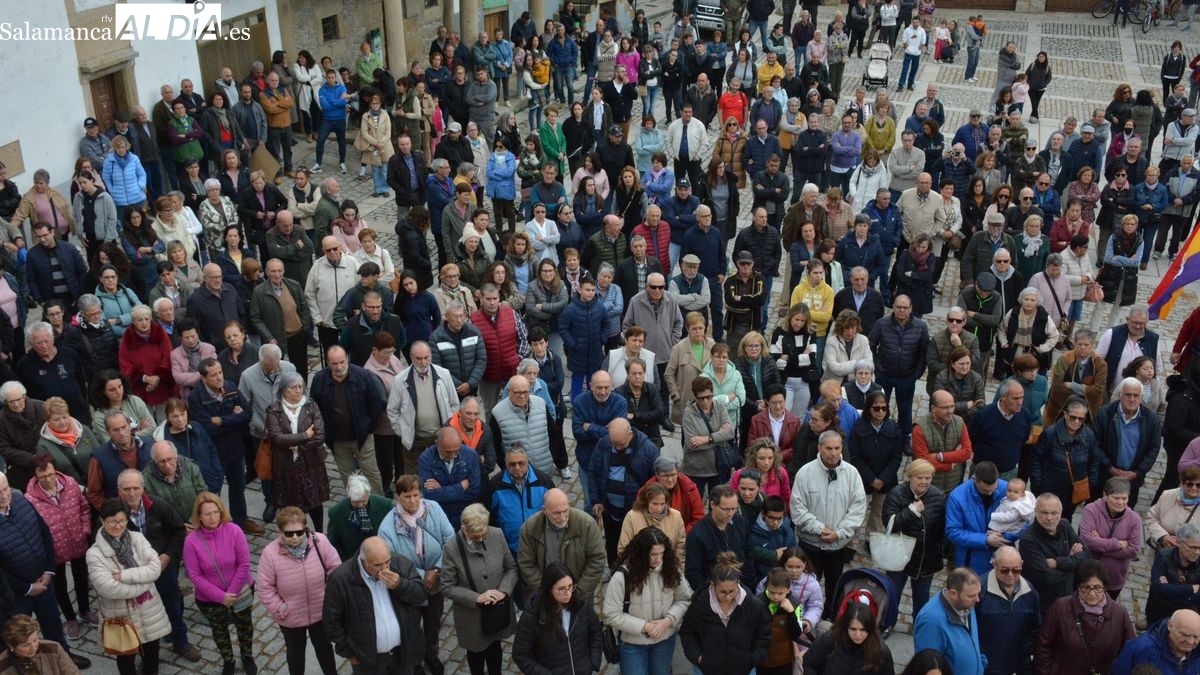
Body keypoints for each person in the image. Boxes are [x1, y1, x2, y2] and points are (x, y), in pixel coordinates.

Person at [85, 497, 171, 675]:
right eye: (112, 521)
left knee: (152, 654)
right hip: (121, 617)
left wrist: (125, 576)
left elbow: (155, 568)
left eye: (122, 520)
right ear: (102, 520)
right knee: (126, 659)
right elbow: (107, 587)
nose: (117, 526)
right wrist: (144, 582)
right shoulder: (94, 554)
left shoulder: (137, 538)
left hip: (148, 611)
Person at [322, 536, 428, 675]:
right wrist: (348, 653)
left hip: (403, 652)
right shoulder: (341, 579)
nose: (384, 568)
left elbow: (420, 595)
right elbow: (331, 620)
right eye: (377, 565)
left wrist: (399, 585)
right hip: (369, 659)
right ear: (363, 561)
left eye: (387, 562)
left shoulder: (400, 563)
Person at [790, 430, 867, 617]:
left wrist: (839, 533)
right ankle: (803, 619)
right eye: (828, 448)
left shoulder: (852, 473)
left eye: (837, 448)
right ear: (819, 448)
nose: (833, 453)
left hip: (837, 546)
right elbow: (797, 509)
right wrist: (820, 529)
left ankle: (831, 616)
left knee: (835, 586)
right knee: (805, 586)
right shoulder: (805, 473)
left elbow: (858, 508)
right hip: (811, 545)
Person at [256, 507, 340, 675]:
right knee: (295, 653)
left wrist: (330, 598)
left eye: (299, 532)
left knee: (324, 648)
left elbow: (335, 569)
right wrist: (280, 608)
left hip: (320, 612)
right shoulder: (270, 554)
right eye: (289, 533)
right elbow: (265, 587)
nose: (294, 537)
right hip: (291, 617)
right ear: (280, 531)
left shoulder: (320, 542)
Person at [182, 492, 256, 675]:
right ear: (199, 516)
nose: (212, 517)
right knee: (219, 631)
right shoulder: (191, 541)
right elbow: (194, 575)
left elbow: (244, 563)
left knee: (244, 626)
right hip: (210, 598)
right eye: (207, 514)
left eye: (215, 512)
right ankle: (228, 660)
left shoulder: (234, 530)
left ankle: (247, 655)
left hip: (240, 590)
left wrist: (231, 592)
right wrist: (221, 597)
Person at [439, 503, 517, 675]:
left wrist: (503, 591)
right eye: (476, 537)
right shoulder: (451, 548)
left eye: (484, 535)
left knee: (495, 647)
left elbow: (511, 568)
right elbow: (447, 586)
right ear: (463, 528)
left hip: (497, 609)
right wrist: (476, 598)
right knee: (476, 653)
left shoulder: (496, 534)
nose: (481, 539)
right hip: (471, 615)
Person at [187, 359, 260, 534]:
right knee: (212, 492)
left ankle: (241, 520)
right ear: (204, 378)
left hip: (236, 448)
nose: (219, 377)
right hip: (214, 453)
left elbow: (247, 415)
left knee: (238, 487)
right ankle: (212, 526)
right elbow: (207, 428)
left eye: (220, 372)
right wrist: (234, 419)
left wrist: (223, 420)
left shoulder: (231, 387)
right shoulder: (196, 397)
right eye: (213, 375)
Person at [680, 552, 772, 675]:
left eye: (732, 591)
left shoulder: (754, 605)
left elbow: (763, 636)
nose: (728, 597)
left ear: (738, 583)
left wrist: (753, 659)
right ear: (712, 585)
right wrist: (698, 657)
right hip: (706, 669)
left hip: (744, 670)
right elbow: (688, 633)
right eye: (722, 592)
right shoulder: (699, 605)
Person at [512, 560, 604, 674]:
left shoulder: (580, 603)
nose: (568, 592)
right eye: (561, 588)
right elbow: (520, 654)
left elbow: (595, 630)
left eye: (570, 586)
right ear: (549, 589)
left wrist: (593, 660)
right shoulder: (533, 614)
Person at [263, 372, 328, 529]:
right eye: (294, 387)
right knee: (291, 506)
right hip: (286, 466)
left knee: (315, 503)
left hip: (310, 463)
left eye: (301, 387)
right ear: (284, 389)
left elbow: (319, 436)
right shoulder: (274, 410)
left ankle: (319, 533)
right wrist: (305, 435)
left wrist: (298, 446)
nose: (298, 391)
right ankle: (296, 532)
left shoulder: (310, 406)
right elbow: (277, 438)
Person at [517, 488, 606, 602]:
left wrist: (576, 593)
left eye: (565, 510)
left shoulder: (586, 524)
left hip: (577, 597)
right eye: (557, 513)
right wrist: (547, 592)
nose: (563, 517)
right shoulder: (530, 528)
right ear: (544, 510)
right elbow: (526, 564)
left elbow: (597, 560)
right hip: (545, 597)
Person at [882, 458, 946, 617]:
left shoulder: (938, 496)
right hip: (899, 554)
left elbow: (942, 528)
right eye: (920, 478)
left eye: (928, 478)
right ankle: (887, 623)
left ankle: (920, 624)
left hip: (927, 557)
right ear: (910, 476)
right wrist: (912, 511)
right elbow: (890, 524)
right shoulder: (896, 494)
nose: (924, 482)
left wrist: (941, 550)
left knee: (922, 595)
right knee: (893, 592)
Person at [1096, 376, 1163, 509]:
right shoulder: (1105, 413)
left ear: (1141, 397)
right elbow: (1095, 444)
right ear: (1120, 395)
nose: (1132, 399)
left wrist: (1138, 472)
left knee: (1124, 513)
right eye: (1128, 395)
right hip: (1104, 475)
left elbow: (1154, 449)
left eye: (1136, 395)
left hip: (1132, 479)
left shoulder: (1151, 419)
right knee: (1097, 511)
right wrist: (1110, 468)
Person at [1030, 397, 1101, 521]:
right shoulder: (1050, 434)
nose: (1077, 421)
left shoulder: (1089, 435)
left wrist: (1090, 484)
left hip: (1073, 492)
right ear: (1065, 415)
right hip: (1049, 490)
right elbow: (1035, 459)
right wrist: (1038, 485)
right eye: (1073, 417)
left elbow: (1094, 460)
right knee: (1045, 521)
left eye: (1081, 418)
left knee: (1066, 521)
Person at [914, 567, 985, 675]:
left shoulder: (966, 604)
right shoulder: (931, 620)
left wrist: (980, 663)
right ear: (953, 593)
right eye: (971, 596)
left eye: (978, 593)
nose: (977, 599)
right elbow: (928, 667)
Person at [804, 600, 895, 674]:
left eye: (863, 630)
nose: (858, 635)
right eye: (853, 629)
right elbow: (809, 663)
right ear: (846, 627)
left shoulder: (881, 651)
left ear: (870, 629)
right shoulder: (830, 639)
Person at [326, 473, 391, 561]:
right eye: (355, 502)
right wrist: (346, 562)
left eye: (363, 501)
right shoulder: (337, 512)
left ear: (369, 494)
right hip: (352, 561)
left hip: (380, 559)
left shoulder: (384, 505)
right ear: (349, 496)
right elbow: (333, 543)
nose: (360, 505)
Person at [0, 614, 80, 674]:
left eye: (35, 640)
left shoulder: (53, 648)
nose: (34, 647)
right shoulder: (2, 667)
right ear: (11, 646)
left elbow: (73, 672)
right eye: (25, 645)